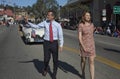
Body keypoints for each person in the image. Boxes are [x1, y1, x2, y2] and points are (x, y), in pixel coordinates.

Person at [25, 10, 64, 79]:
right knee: (46, 59)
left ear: (53, 16)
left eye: (49, 15)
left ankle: (54, 75)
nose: (47, 16)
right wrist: (28, 22)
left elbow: (60, 35)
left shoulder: (57, 25)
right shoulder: (45, 23)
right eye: (47, 15)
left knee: (55, 60)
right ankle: (45, 68)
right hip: (46, 43)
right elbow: (36, 26)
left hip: (54, 43)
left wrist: (61, 45)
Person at [78, 11, 96, 79]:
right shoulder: (81, 25)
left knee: (91, 61)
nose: (88, 16)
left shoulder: (92, 24)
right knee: (83, 61)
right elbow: (79, 37)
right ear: (84, 16)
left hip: (91, 46)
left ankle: (92, 78)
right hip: (83, 45)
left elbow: (91, 35)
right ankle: (83, 72)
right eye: (87, 15)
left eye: (89, 15)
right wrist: (83, 47)